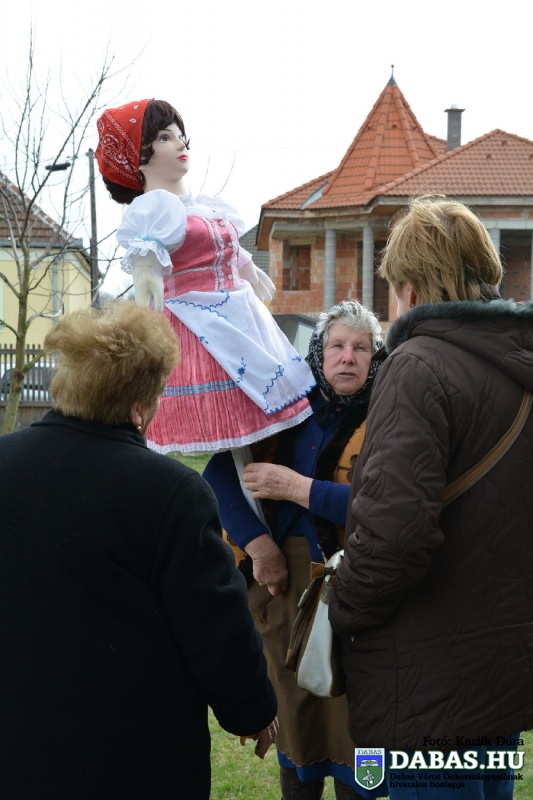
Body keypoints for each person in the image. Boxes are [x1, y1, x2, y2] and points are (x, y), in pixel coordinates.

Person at [0, 301, 278, 800]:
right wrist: (252, 711)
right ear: (138, 407)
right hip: (130, 760)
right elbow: (214, 625)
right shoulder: (171, 493)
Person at [329, 195, 533, 799]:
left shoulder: (417, 365)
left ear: (411, 288)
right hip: (501, 670)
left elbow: (394, 534)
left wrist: (344, 607)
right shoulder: (520, 365)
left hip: (430, 682)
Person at [204, 300, 388, 800]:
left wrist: (296, 487)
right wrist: (258, 544)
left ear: (375, 358)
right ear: (318, 354)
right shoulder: (284, 406)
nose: (347, 357)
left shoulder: (391, 416)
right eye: (337, 346)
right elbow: (220, 472)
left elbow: (386, 505)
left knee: (359, 716)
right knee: (295, 711)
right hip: (282, 585)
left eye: (361, 348)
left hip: (361, 584)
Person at [95, 98, 314, 457]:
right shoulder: (152, 210)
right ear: (137, 157)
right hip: (195, 324)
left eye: (180, 135)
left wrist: (248, 268)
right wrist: (146, 285)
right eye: (165, 137)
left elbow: (223, 246)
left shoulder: (206, 207)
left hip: (241, 315)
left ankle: (253, 487)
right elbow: (146, 265)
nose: (180, 143)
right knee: (228, 424)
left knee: (259, 424)